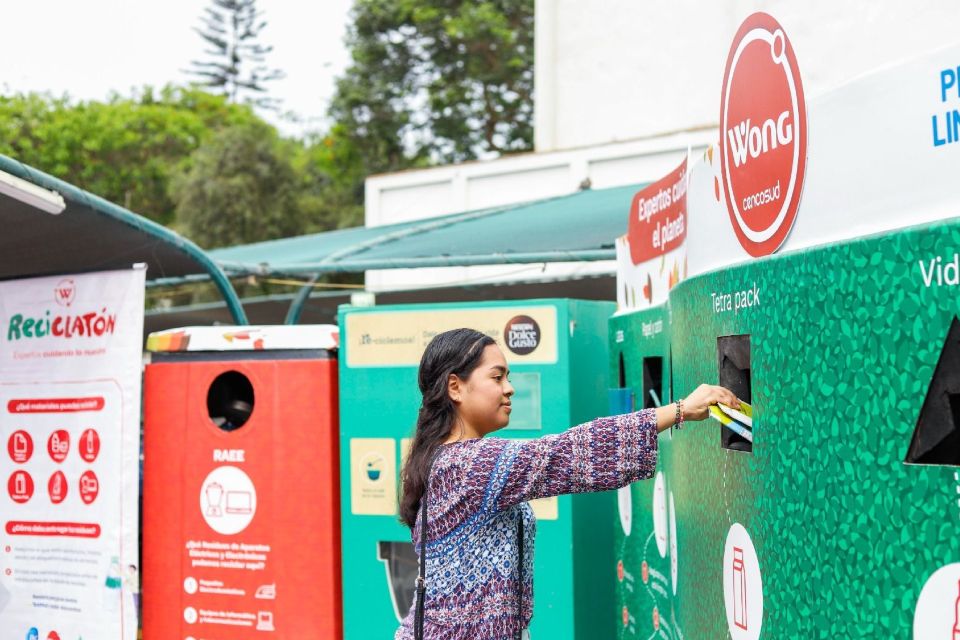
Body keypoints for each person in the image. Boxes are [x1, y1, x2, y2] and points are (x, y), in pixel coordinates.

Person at [395, 328, 740, 640]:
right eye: (497, 377)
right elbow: (568, 454)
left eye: (508, 377)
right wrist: (679, 410)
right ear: (455, 387)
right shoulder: (467, 464)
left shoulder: (447, 459)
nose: (509, 388)